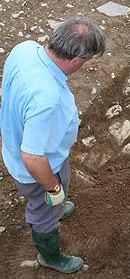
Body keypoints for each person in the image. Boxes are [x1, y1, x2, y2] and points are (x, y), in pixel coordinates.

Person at [0, 15, 105, 274]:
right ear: (75, 60)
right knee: (43, 210)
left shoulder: (24, 49)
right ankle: (49, 255)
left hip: (14, 145)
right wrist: (53, 187)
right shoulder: (46, 97)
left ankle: (55, 205)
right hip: (38, 169)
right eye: (87, 61)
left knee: (54, 196)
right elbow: (33, 158)